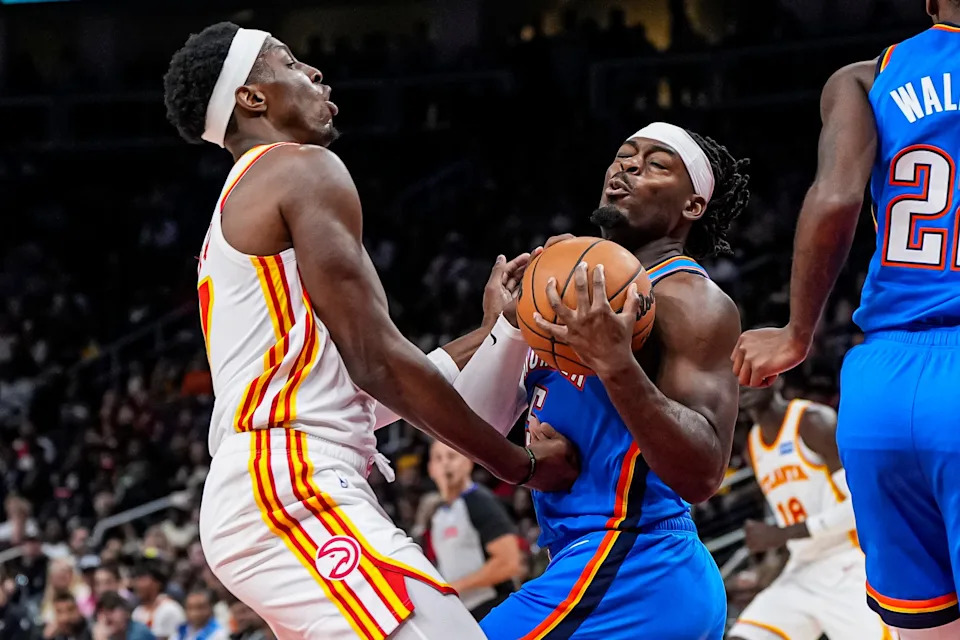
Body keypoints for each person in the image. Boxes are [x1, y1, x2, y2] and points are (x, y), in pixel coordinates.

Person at [162, 21, 577, 640]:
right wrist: (516, 465)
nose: (315, 73)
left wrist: (495, 331)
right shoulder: (302, 169)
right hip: (289, 483)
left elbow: (366, 393)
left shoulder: (246, 201)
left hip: (275, 484)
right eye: (292, 63)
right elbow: (378, 362)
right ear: (252, 98)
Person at [450, 122, 747, 638]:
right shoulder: (568, 286)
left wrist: (617, 365)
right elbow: (474, 427)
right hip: (585, 560)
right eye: (623, 156)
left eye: (656, 164)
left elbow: (702, 474)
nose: (626, 166)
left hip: (636, 562)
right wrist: (508, 325)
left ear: (693, 206)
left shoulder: (690, 302)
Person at [732, 1, 960, 636]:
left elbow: (834, 198)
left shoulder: (864, 78)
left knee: (925, 626)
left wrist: (797, 333)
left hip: (881, 380)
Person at [728, 381, 890, 640]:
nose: (743, 383)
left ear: (778, 376)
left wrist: (781, 534)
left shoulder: (812, 421)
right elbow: (788, 526)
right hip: (802, 569)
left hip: (850, 563)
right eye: (734, 378)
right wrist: (764, 572)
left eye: (753, 373)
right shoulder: (753, 445)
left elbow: (861, 507)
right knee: (742, 636)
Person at [425, 440, 523, 620]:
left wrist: (457, 587)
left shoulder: (480, 502)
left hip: (493, 608)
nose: (445, 463)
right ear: (431, 469)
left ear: (468, 462)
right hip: (463, 613)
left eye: (452, 456)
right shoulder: (436, 515)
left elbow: (509, 563)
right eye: (438, 458)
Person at [130, 560, 185, 640]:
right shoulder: (137, 612)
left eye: (142, 580)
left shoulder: (170, 609)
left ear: (157, 584)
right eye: (137, 580)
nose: (137, 584)